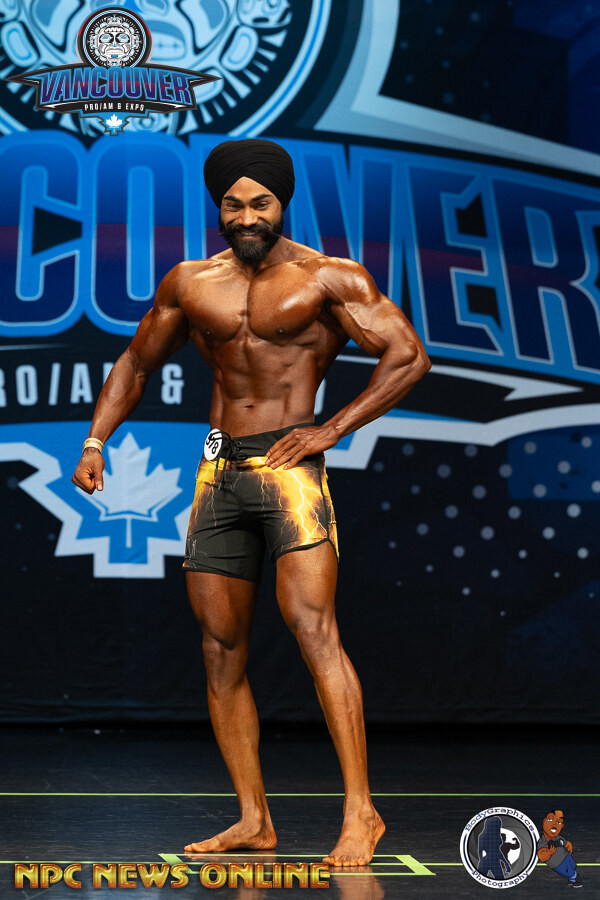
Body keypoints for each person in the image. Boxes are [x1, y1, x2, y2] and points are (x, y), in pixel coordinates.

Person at [72, 138, 431, 866]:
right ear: (219, 208)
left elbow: (408, 355)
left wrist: (330, 429)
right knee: (219, 648)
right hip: (218, 474)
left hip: (290, 475)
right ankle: (253, 819)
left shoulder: (328, 277)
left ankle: (361, 813)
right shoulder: (190, 282)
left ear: (281, 203)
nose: (246, 217)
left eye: (259, 203)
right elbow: (137, 361)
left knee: (313, 631)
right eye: (233, 205)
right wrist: (95, 440)